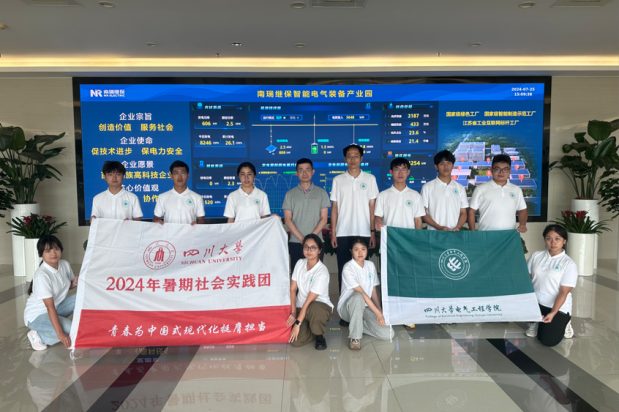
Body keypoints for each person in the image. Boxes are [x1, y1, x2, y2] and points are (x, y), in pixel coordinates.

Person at [330, 144, 378, 295]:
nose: (353, 159)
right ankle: (345, 305)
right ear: (345, 159)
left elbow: (372, 207)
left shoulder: (370, 179)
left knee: (362, 271)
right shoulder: (338, 180)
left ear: (361, 158)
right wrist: (333, 233)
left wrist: (372, 232)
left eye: (356, 156)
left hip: (364, 232)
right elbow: (335, 208)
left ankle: (364, 304)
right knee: (344, 270)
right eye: (349, 156)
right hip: (343, 232)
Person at [526, 225, 577, 346]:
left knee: (547, 341)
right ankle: (534, 322)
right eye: (549, 238)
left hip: (556, 306)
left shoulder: (568, 264)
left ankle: (566, 323)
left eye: (557, 239)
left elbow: (564, 292)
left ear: (564, 241)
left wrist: (553, 312)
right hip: (536, 303)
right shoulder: (536, 255)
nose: (553, 242)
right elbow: (527, 277)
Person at [338, 238, 394, 350]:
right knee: (358, 296)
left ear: (367, 250)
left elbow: (373, 291)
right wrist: (377, 313)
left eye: (363, 249)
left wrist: (380, 312)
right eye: (356, 249)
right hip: (347, 308)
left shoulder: (370, 265)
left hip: (366, 307)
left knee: (388, 334)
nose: (360, 252)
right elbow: (362, 293)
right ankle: (355, 338)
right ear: (351, 251)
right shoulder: (348, 267)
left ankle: (357, 325)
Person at [24, 236, 78, 351]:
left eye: (56, 248)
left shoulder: (64, 264)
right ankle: (39, 336)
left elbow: (66, 285)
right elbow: (50, 307)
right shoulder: (42, 276)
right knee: (70, 329)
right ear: (41, 254)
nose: (53, 253)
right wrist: (60, 333)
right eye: (48, 250)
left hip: (57, 308)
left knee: (81, 298)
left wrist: (75, 283)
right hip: (37, 315)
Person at [283, 158, 330, 271]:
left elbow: (324, 218)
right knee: (297, 274)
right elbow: (288, 220)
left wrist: (310, 238)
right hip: (296, 242)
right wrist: (301, 238)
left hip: (316, 242)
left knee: (316, 274)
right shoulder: (290, 194)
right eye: (301, 170)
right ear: (296, 173)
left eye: (307, 170)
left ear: (313, 172)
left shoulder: (322, 193)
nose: (304, 173)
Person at [287, 234, 333, 350]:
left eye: (313, 248)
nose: (309, 250)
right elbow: (293, 289)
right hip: (301, 307)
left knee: (314, 309)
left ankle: (319, 334)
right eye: (306, 247)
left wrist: (297, 324)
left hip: (318, 307)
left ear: (319, 251)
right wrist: (294, 312)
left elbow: (308, 301)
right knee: (296, 342)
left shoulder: (322, 271)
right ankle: (312, 327)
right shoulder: (300, 263)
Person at [468, 154, 528, 232]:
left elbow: (522, 210)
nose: (501, 172)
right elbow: (471, 212)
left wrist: (523, 225)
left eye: (505, 169)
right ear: (491, 169)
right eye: (497, 169)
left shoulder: (517, 190)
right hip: (486, 234)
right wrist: (473, 233)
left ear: (510, 170)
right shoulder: (480, 189)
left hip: (509, 235)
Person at [421, 150, 469, 231]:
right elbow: (422, 212)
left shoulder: (460, 188)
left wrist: (458, 227)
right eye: (442, 164)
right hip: (434, 234)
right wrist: (438, 227)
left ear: (452, 165)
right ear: (436, 166)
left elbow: (463, 213)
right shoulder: (427, 187)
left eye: (449, 163)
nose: (446, 167)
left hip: (454, 234)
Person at [374, 157, 425, 231]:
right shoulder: (382, 195)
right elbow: (378, 217)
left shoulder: (416, 195)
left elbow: (417, 220)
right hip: (390, 236)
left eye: (404, 169)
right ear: (391, 172)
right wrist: (378, 222)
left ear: (408, 172)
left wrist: (418, 237)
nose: (400, 173)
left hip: (409, 236)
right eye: (397, 169)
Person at [153, 160, 205, 225]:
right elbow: (156, 218)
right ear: (171, 176)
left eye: (183, 173)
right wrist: (157, 221)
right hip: (169, 232)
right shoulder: (162, 197)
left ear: (188, 176)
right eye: (176, 173)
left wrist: (197, 224)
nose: (180, 177)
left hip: (189, 232)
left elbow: (201, 219)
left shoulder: (197, 197)